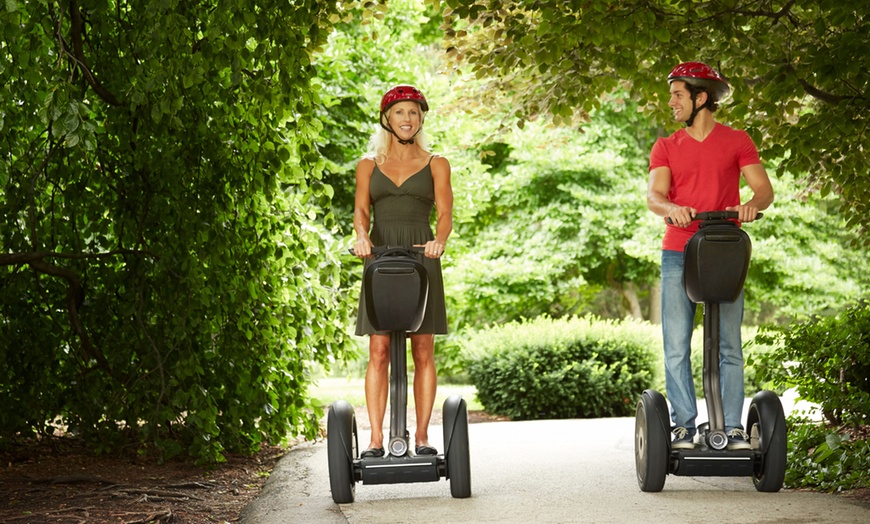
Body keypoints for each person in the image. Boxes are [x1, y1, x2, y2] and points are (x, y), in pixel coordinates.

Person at [646, 62, 774, 450]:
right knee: (676, 343)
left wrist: (751, 205)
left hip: (722, 251)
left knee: (729, 345)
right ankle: (684, 425)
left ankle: (732, 428)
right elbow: (655, 196)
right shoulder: (666, 145)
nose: (671, 102)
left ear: (701, 98)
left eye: (678, 94)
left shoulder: (737, 141)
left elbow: (763, 190)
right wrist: (672, 209)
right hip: (678, 251)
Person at [352, 85, 453, 458]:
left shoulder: (436, 163)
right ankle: (376, 440)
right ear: (387, 119)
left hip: (421, 255)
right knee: (378, 348)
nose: (407, 119)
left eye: (413, 112)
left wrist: (439, 241)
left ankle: (424, 437)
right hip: (379, 256)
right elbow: (361, 212)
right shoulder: (368, 165)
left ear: (421, 118)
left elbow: (445, 214)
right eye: (400, 113)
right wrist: (361, 236)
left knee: (423, 347)